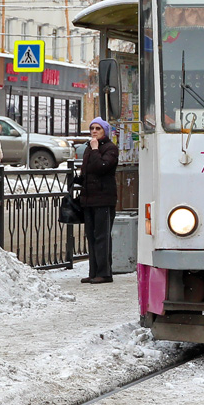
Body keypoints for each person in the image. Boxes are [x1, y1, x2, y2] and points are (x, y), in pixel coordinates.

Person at [79, 117, 118, 284]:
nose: (94, 131)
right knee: (91, 236)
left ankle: (105, 273)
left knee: (102, 236)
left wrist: (95, 150)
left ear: (105, 131)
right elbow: (87, 171)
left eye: (98, 129)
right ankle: (94, 271)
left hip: (103, 199)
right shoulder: (89, 148)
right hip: (89, 199)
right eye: (92, 128)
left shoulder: (110, 149)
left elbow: (101, 167)